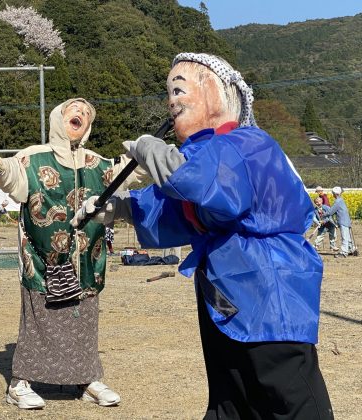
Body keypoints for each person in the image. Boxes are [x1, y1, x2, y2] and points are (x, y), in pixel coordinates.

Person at [72, 53, 334, 419]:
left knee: (288, 398)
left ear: (217, 92)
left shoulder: (247, 144)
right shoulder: (203, 152)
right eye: (169, 93)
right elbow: (177, 208)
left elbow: (206, 182)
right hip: (223, 291)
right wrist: (121, 209)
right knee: (230, 398)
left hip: (270, 290)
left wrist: (155, 153)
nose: (172, 101)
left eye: (180, 89)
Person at [0, 98, 142, 410]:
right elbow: (11, 172)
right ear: (58, 118)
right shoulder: (34, 158)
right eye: (73, 110)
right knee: (39, 322)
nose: (80, 113)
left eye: (87, 113)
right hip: (42, 262)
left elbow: (126, 172)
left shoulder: (97, 163)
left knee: (83, 325)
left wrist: (148, 158)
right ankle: (19, 383)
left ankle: (86, 380)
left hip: (86, 263)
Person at [323, 186, 353, 258]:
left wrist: (323, 215)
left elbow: (331, 212)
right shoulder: (341, 200)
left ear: (335, 194)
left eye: (333, 193)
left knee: (344, 237)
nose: (332, 195)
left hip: (343, 221)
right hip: (346, 221)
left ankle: (344, 252)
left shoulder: (338, 202)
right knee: (348, 236)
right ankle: (350, 249)